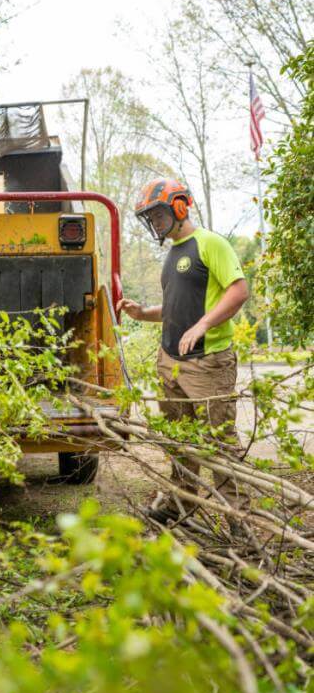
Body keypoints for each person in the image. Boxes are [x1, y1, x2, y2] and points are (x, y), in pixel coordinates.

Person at [116, 178, 249, 525]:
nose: (155, 224)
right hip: (171, 362)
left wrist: (203, 326)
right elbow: (177, 306)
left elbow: (238, 291)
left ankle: (240, 521)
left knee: (219, 444)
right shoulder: (172, 252)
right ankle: (180, 505)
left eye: (158, 215)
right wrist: (143, 313)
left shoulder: (210, 244)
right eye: (150, 219)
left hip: (207, 364)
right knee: (179, 440)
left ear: (179, 207)